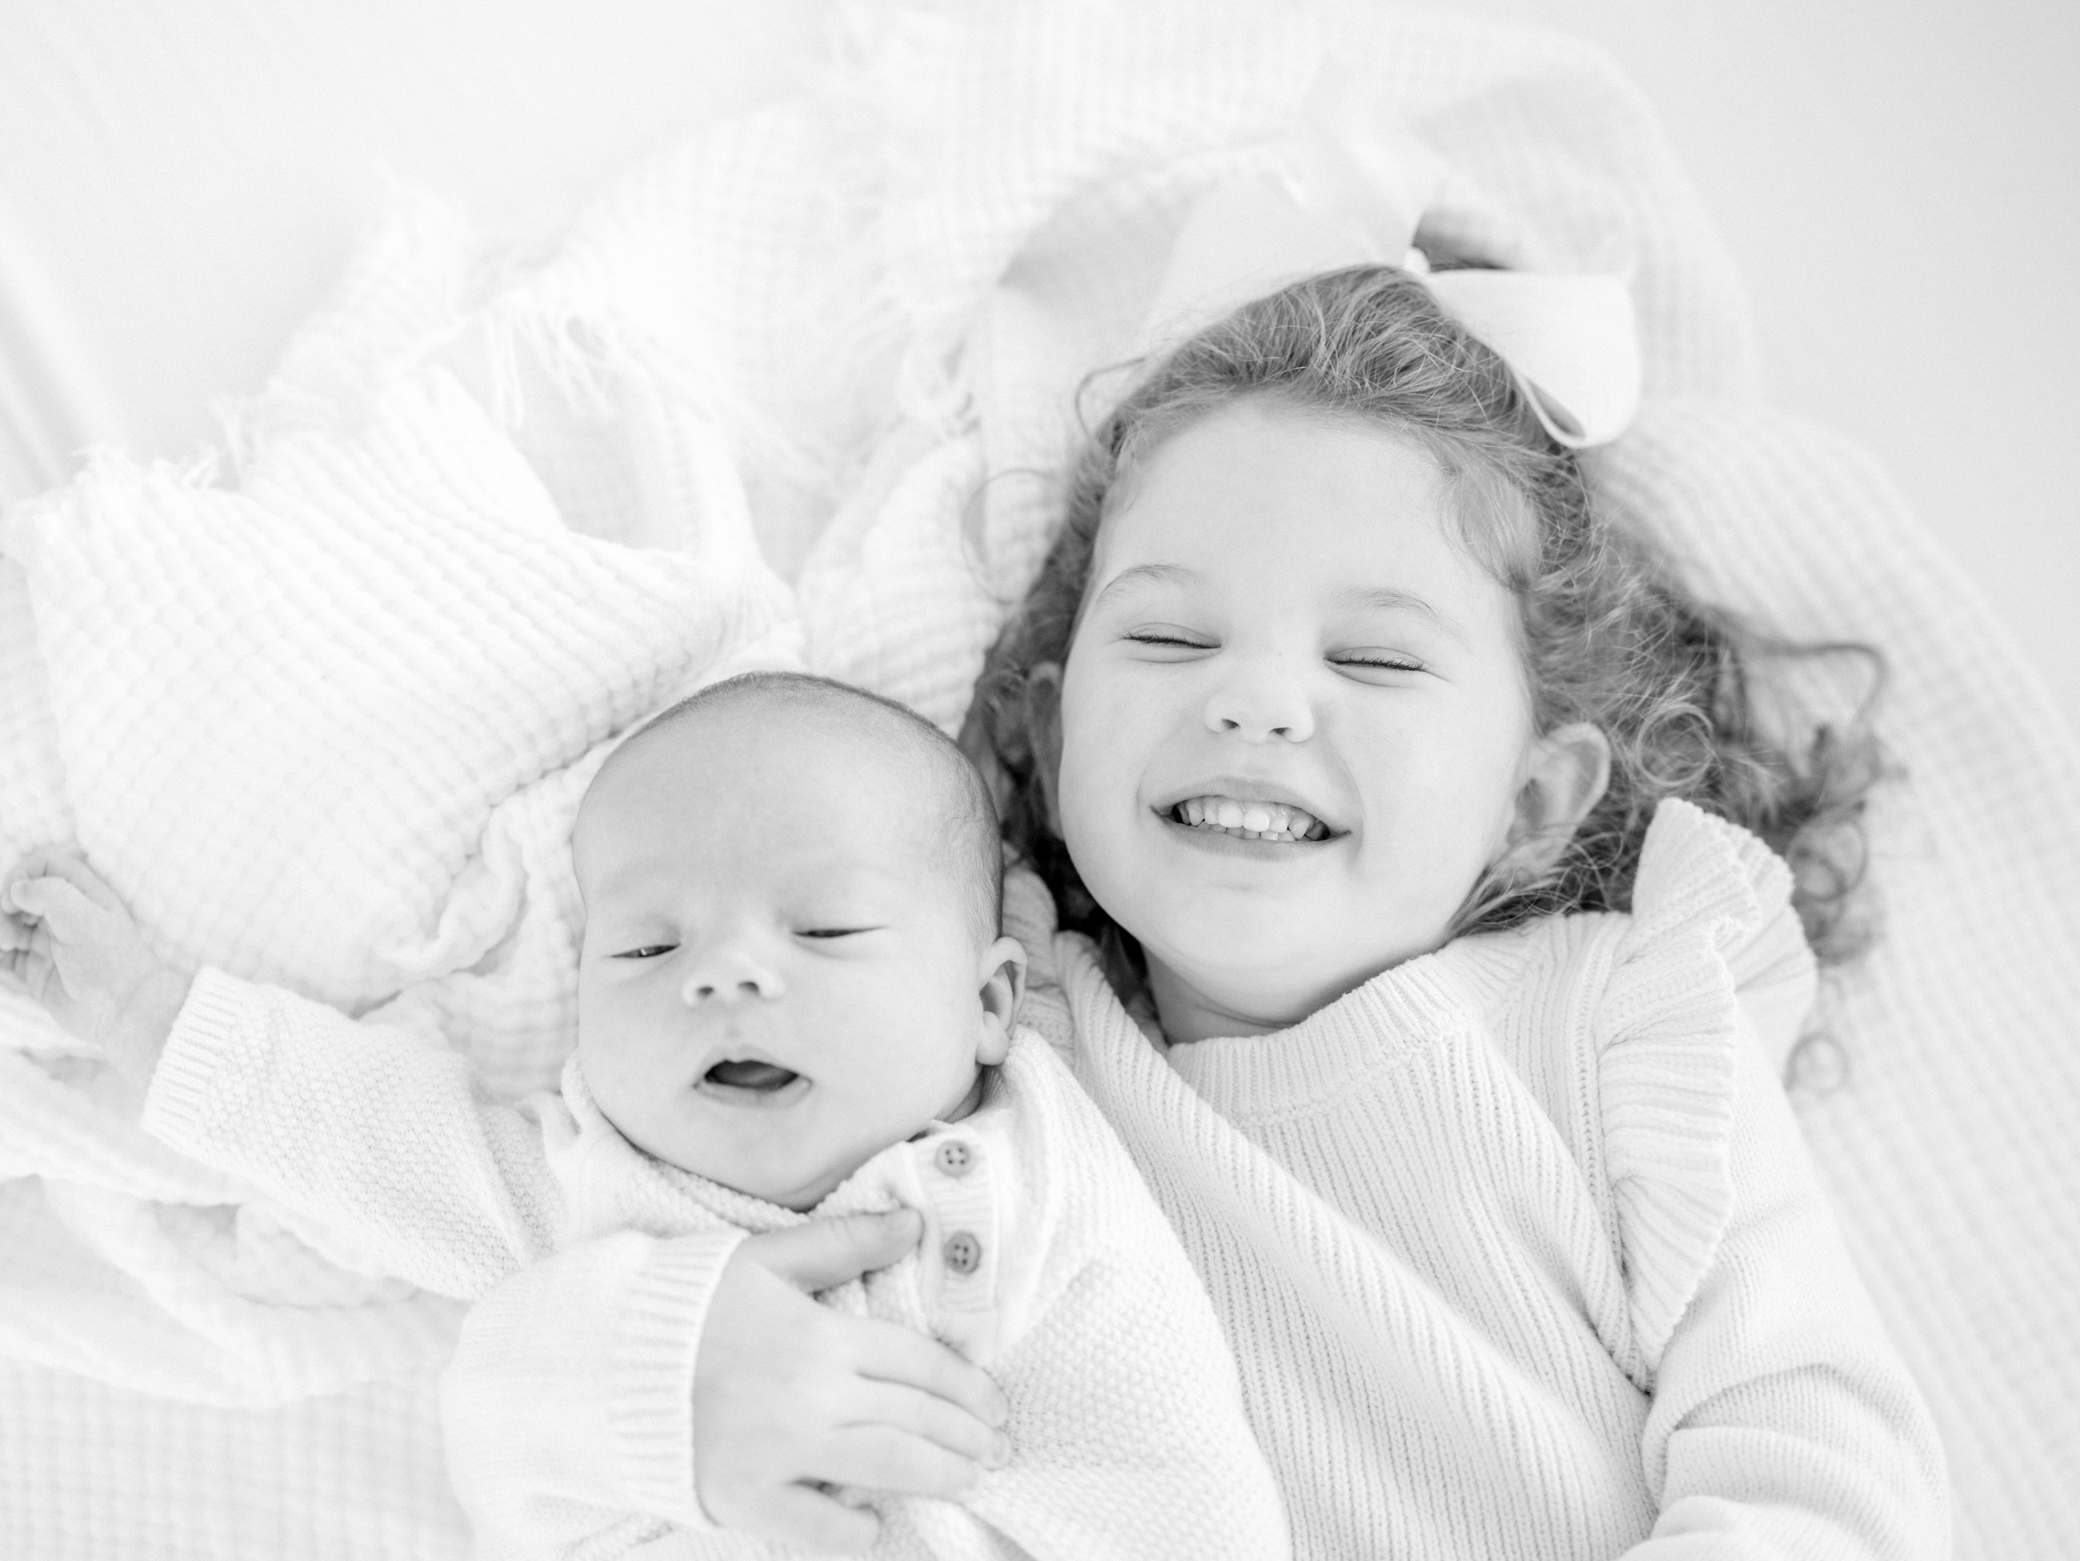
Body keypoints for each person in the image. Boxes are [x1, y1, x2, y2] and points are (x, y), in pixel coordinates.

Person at [411, 261, 1950, 1559]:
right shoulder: (982, 1057)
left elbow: (1825, 1456)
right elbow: (545, 1244)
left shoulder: (1621, 1027)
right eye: (1168, 632)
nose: (1258, 698)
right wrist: (663, 1371)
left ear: (1534, 797)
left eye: (1376, 659)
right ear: (1048, 726)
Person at [0, 671, 1289, 1560]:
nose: (723, 974)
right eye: (644, 949)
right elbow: (353, 1134)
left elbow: (1177, 1491)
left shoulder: (1053, 1147)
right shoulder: (588, 1198)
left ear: (992, 1003)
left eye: (825, 929)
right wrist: (149, 1012)